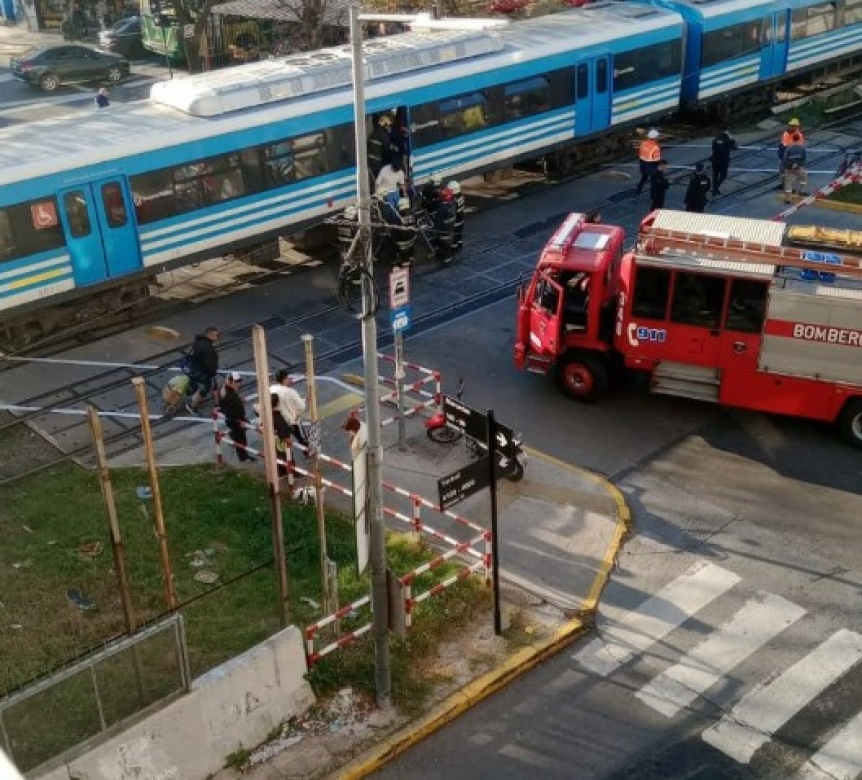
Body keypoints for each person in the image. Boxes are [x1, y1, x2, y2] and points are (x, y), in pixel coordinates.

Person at [270, 368, 308, 451]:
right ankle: (307, 453)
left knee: (284, 442)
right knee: (302, 438)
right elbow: (302, 407)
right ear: (284, 379)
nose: (289, 379)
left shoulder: (272, 389)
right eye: (287, 377)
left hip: (280, 422)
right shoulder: (291, 392)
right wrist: (298, 414)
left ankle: (288, 456)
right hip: (293, 420)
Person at [219, 371, 253, 462]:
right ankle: (244, 457)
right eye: (237, 382)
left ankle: (233, 436)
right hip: (235, 420)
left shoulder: (226, 389)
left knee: (241, 434)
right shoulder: (228, 396)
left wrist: (238, 398)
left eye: (239, 381)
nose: (239, 384)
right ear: (230, 382)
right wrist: (239, 421)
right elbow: (230, 412)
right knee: (241, 439)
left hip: (236, 418)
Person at [185, 326, 219, 413]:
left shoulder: (199, 341)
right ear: (208, 335)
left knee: (212, 386)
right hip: (204, 372)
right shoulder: (208, 348)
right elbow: (209, 363)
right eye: (214, 335)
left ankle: (217, 404)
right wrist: (213, 372)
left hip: (195, 368)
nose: (216, 338)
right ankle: (192, 406)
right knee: (205, 388)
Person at [269, 392, 293, 477]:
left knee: (279, 457)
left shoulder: (269, 415)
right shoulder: (278, 417)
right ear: (278, 403)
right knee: (288, 457)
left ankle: (282, 473)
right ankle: (293, 473)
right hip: (282, 442)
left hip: (274, 442)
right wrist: (288, 440)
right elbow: (283, 432)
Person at [433, 186, 457, 264]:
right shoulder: (453, 204)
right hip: (451, 229)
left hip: (444, 232)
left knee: (444, 246)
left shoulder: (441, 208)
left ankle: (445, 261)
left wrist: (436, 230)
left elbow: (438, 222)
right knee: (448, 245)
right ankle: (448, 257)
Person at [367, 112, 394, 180]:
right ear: (384, 125)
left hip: (370, 160)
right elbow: (387, 147)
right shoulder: (383, 134)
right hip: (376, 161)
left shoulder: (375, 131)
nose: (389, 127)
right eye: (388, 125)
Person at [710, 128, 736, 195]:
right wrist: (731, 137)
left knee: (715, 176)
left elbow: (713, 148)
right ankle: (715, 188)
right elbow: (735, 147)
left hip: (715, 161)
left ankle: (714, 190)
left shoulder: (715, 140)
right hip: (723, 162)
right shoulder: (727, 140)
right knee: (723, 176)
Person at [778, 118, 804, 186]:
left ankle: (790, 185)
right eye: (790, 125)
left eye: (793, 126)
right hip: (785, 152)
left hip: (792, 155)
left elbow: (799, 146)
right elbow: (784, 144)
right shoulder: (786, 133)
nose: (791, 127)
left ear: (797, 127)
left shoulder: (799, 135)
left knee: (791, 171)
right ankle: (782, 184)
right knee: (782, 170)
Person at [783, 133, 808, 204]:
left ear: (792, 139)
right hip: (799, 168)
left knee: (788, 183)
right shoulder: (802, 149)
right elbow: (803, 159)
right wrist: (798, 165)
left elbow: (785, 159)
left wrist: (791, 165)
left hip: (789, 168)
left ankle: (788, 199)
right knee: (803, 179)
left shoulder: (788, 149)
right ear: (799, 139)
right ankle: (802, 191)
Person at [636, 129, 661, 195]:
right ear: (656, 137)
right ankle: (653, 194)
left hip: (643, 166)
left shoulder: (643, 144)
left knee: (643, 179)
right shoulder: (655, 148)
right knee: (654, 181)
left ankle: (638, 190)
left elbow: (640, 154)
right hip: (652, 167)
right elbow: (657, 160)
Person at [448, 180, 466, 256]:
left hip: (457, 220)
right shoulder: (461, 196)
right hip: (461, 219)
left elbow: (452, 210)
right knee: (459, 234)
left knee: (455, 235)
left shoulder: (454, 199)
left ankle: (454, 249)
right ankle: (460, 245)